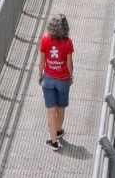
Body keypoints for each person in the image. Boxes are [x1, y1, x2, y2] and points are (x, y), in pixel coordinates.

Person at [39, 13, 74, 150]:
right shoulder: (68, 42)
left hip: (48, 79)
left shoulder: (45, 40)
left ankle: (53, 141)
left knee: (51, 111)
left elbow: (42, 61)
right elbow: (69, 63)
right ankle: (59, 130)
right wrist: (70, 76)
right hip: (63, 80)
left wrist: (40, 75)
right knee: (61, 108)